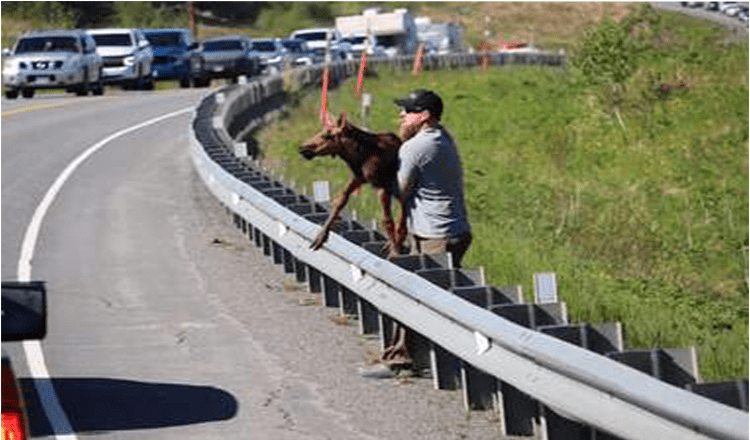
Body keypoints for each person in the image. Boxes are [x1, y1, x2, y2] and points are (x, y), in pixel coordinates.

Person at [360, 89, 472, 378]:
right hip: (446, 230)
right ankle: (406, 358)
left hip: (437, 236)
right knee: (420, 297)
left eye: (408, 110)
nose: (401, 115)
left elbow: (400, 190)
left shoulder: (416, 147)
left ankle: (406, 361)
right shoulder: (441, 136)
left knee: (417, 300)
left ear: (424, 116)